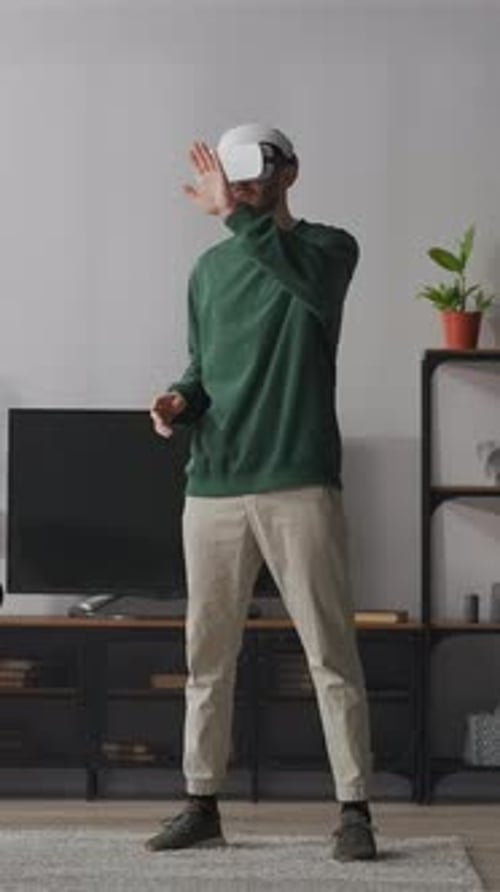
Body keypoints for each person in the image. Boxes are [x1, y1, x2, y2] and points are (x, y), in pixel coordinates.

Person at [147, 123, 376, 861]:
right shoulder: (208, 271)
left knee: (328, 650)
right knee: (206, 656)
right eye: (232, 174)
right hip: (212, 484)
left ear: (289, 173)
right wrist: (179, 402)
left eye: (253, 172)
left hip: (298, 479)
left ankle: (354, 813)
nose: (240, 184)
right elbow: (201, 367)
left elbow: (297, 276)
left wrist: (236, 216)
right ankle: (202, 803)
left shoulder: (328, 250)